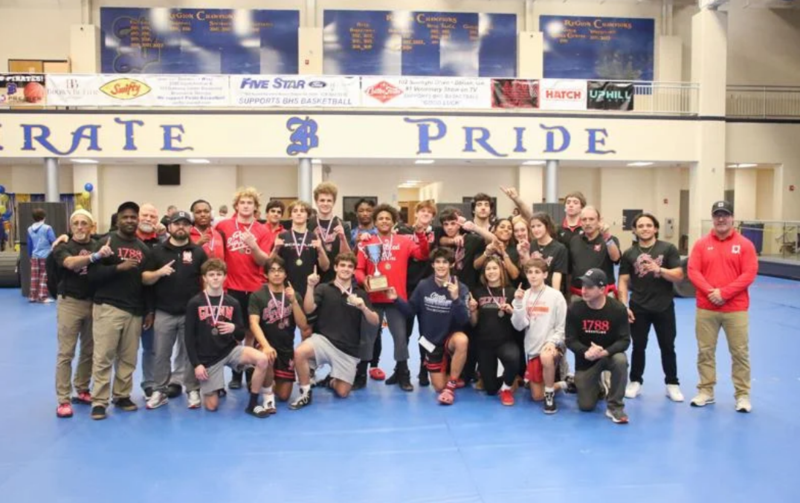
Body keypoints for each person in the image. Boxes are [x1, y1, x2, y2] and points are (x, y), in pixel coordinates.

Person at [687, 201, 758, 412]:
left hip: (735, 309)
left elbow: (749, 273)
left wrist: (724, 293)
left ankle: (742, 395)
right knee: (705, 351)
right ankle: (706, 391)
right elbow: (693, 271)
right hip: (706, 308)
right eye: (717, 215)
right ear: (712, 218)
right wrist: (711, 292)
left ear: (732, 218)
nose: (721, 219)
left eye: (725, 215)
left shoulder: (745, 244)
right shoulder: (701, 244)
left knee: (739, 352)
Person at [87, 201, 153, 420]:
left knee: (128, 358)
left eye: (133, 217)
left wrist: (148, 310)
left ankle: (122, 395)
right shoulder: (106, 242)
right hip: (108, 307)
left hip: (134, 310)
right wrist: (118, 267)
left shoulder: (143, 249)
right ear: (118, 219)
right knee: (103, 356)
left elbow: (147, 282)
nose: (130, 221)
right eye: (125, 217)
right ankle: (99, 401)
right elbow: (92, 275)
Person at [354, 204, 429, 391]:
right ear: (375, 221)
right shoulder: (366, 242)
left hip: (396, 299)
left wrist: (420, 235)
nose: (384, 221)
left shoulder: (404, 241)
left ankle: (404, 374)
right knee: (367, 338)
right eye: (380, 218)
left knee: (400, 338)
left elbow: (423, 254)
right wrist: (366, 282)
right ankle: (361, 374)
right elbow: (358, 269)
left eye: (388, 218)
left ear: (393, 221)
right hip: (373, 299)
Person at [291, 252, 380, 409]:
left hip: (348, 349)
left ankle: (330, 381)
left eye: (350, 266)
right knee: (299, 352)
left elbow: (375, 321)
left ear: (354, 270)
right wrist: (310, 286)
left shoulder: (360, 294)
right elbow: (309, 308)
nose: (346, 269)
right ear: (335, 268)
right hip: (323, 341)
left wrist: (363, 307)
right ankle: (305, 393)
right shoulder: (324, 288)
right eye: (342, 265)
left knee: (343, 392)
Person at [185, 259, 272, 417]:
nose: (215, 278)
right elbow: (188, 338)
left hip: (230, 350)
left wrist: (234, 328)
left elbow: (240, 334)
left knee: (262, 359)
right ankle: (215, 385)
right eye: (211, 275)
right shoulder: (195, 303)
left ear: (225, 277)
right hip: (208, 358)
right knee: (212, 406)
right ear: (204, 278)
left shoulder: (232, 302)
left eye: (219, 274)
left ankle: (252, 404)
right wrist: (197, 364)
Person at [143, 210, 208, 410]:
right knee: (161, 353)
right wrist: (158, 273)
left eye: (185, 224)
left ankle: (192, 389)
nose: (181, 227)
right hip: (164, 311)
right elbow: (145, 278)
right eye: (177, 224)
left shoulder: (198, 252)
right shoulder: (157, 251)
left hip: (190, 313)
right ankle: (159, 390)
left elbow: (205, 280)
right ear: (169, 227)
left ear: (190, 228)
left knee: (190, 353)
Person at [618, 213, 685, 402]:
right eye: (640, 226)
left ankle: (672, 383)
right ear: (635, 230)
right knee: (638, 346)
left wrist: (660, 270)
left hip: (664, 306)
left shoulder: (668, 248)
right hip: (638, 306)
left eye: (648, 225)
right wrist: (624, 305)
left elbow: (679, 275)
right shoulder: (630, 253)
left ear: (655, 228)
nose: (645, 228)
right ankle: (635, 381)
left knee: (667, 346)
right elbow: (622, 281)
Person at [51, 209, 112, 418]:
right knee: (66, 353)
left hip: (93, 303)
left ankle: (82, 388)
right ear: (70, 226)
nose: (79, 227)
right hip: (70, 302)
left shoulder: (98, 242)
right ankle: (63, 399)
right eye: (75, 223)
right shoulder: (64, 246)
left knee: (89, 350)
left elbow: (117, 234)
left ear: (91, 226)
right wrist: (95, 257)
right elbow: (69, 263)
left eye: (83, 223)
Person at [393, 248, 470, 405]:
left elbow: (464, 320)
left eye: (445, 262)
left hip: (451, 338)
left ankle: (452, 383)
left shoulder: (460, 287)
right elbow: (410, 311)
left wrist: (456, 299)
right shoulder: (423, 286)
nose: (441, 266)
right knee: (438, 386)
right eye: (438, 262)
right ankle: (453, 377)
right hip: (431, 342)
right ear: (433, 265)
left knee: (462, 340)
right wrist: (395, 299)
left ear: (451, 264)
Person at [216, 187, 274, 389]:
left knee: (251, 332)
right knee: (235, 332)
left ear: (255, 207)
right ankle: (235, 371)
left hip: (255, 287)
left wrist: (254, 245)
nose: (246, 205)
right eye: (243, 202)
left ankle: (249, 369)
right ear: (236, 205)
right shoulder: (224, 226)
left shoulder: (262, 230)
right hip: (231, 287)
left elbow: (263, 261)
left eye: (250, 202)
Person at [566, 268, 631, 424]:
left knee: (621, 360)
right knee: (586, 406)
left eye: (589, 287)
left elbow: (624, 340)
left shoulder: (618, 309)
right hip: (586, 361)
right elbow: (570, 339)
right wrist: (585, 351)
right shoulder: (575, 308)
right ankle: (599, 388)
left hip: (608, 357)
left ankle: (615, 406)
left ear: (602, 289)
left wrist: (605, 352)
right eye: (583, 286)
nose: (584, 290)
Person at [249, 257, 308, 413]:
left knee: (283, 396)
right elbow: (253, 323)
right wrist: (266, 346)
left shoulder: (294, 295)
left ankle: (263, 379)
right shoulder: (257, 296)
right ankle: (268, 398)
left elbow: (303, 325)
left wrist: (294, 301)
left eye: (280, 270)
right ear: (266, 274)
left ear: (285, 274)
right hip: (265, 345)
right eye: (272, 270)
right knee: (266, 356)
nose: (276, 274)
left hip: (285, 348)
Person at [511, 258, 569, 414]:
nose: (533, 276)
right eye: (529, 272)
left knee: (545, 356)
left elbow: (561, 329)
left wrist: (552, 342)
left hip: (553, 346)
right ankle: (565, 383)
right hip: (532, 349)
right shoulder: (524, 295)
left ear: (545, 274)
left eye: (537, 272)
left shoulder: (556, 296)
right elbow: (519, 325)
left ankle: (549, 395)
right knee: (536, 396)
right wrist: (517, 304)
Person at [469, 257, 520, 405]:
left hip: (505, 341)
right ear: (484, 273)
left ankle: (506, 387)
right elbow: (474, 323)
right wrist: (472, 311)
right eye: (488, 269)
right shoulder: (477, 292)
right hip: (484, 344)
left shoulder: (511, 292)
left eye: (494, 268)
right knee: (490, 390)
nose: (491, 272)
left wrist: (512, 311)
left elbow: (521, 322)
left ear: (501, 270)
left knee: (513, 357)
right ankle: (509, 379)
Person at [271, 200, 330, 301]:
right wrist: (275, 249)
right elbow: (269, 265)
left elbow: (325, 267)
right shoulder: (282, 236)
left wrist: (320, 249)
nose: (298, 213)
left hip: (310, 287)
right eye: (295, 211)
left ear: (308, 216)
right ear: (290, 216)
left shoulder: (314, 237)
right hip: (286, 286)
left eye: (302, 211)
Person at [136, 203, 164, 398]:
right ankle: (119, 390)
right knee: (121, 351)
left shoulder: (162, 244)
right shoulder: (124, 238)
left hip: (152, 305)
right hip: (126, 304)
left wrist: (152, 310)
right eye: (144, 215)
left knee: (151, 348)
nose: (148, 219)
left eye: (152, 217)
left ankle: (150, 383)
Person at [567, 206, 621, 302]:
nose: (587, 223)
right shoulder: (574, 240)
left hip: (603, 295)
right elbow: (570, 269)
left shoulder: (610, 239)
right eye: (584, 219)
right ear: (580, 222)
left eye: (591, 219)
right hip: (578, 295)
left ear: (599, 221)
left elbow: (615, 258)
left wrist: (607, 237)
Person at [312, 182, 351, 284]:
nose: (325, 203)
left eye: (329, 200)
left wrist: (342, 238)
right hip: (314, 277)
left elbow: (346, 256)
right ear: (316, 201)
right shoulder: (309, 224)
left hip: (337, 279)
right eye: (322, 200)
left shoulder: (343, 225)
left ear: (334, 202)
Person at [27, 207, 56, 303]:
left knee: (34, 276)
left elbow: (29, 244)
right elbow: (53, 241)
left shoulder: (29, 229)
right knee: (44, 275)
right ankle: (43, 296)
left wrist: (30, 256)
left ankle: (33, 296)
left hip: (34, 256)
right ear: (44, 217)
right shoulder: (47, 228)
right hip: (46, 255)